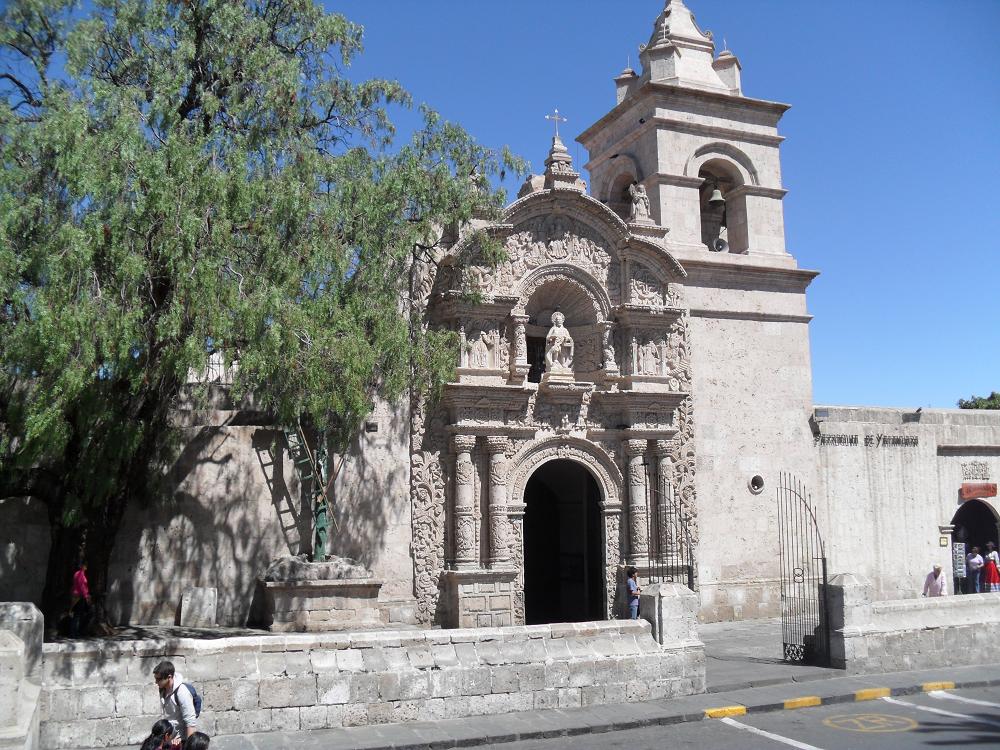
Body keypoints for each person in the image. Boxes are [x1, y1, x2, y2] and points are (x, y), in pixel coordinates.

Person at [154, 661, 198, 740]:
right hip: (169, 738)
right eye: (155, 678)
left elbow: (191, 723)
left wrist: (189, 745)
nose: (156, 682)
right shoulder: (162, 689)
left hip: (180, 740)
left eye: (158, 679)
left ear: (169, 677)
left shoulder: (182, 692)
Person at [69, 559, 91, 638]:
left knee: (77, 615)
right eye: (85, 565)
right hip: (79, 596)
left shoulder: (77, 574)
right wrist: (86, 596)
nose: (86, 567)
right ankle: (75, 632)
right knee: (78, 615)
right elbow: (82, 587)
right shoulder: (80, 574)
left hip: (76, 596)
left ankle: (75, 632)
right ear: (82, 566)